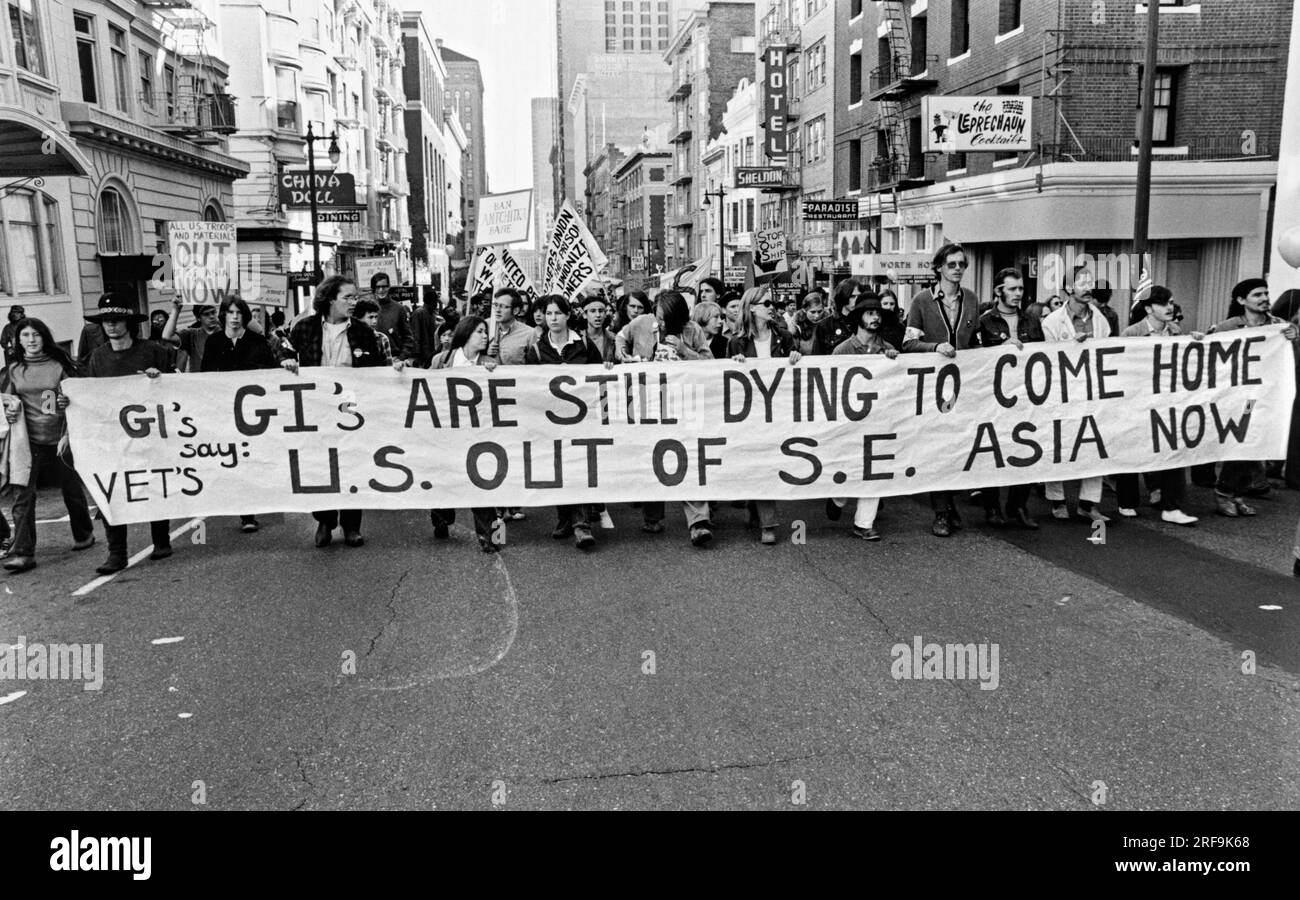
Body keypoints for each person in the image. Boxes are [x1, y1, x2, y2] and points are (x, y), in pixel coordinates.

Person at [279, 276, 388, 549]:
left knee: (351, 463)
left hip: (351, 410)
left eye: (354, 297)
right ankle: (325, 520)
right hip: (316, 409)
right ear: (329, 299)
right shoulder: (304, 328)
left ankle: (352, 526)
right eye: (347, 298)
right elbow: (282, 352)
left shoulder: (363, 332)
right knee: (319, 465)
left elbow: (376, 371)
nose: (353, 302)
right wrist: (286, 360)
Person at [79, 293, 177, 574]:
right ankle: (117, 553)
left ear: (128, 323)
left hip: (150, 432)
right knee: (113, 491)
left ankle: (161, 540)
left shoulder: (152, 350)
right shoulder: (97, 358)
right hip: (113, 436)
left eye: (116, 320)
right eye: (106, 321)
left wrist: (159, 379)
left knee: (155, 483)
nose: (110, 326)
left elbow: (178, 384)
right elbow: (89, 395)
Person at [0, 318, 96, 573]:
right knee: (22, 494)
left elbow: (71, 396)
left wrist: (67, 401)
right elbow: (6, 401)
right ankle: (23, 552)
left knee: (71, 489)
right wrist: (7, 412)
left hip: (61, 436)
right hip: (27, 441)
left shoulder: (58, 365)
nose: (31, 340)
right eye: (25, 335)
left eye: (36, 335)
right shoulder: (13, 370)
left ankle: (84, 533)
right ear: (17, 340)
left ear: (44, 338)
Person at [902, 242, 981, 537]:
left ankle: (950, 503)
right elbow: (908, 344)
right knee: (937, 447)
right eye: (952, 264)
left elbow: (977, 340)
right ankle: (941, 512)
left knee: (957, 447)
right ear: (938, 268)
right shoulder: (922, 301)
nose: (958, 269)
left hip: (964, 385)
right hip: (932, 387)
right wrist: (935, 347)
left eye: (962, 264)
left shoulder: (971, 299)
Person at [1204, 278, 1300, 515]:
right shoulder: (1228, 327)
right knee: (1240, 442)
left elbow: (1290, 360)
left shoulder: (1279, 326)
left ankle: (1236, 494)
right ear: (1241, 300)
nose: (1264, 298)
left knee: (1255, 445)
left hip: (1266, 395)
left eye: (1266, 293)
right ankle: (1225, 492)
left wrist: (1294, 338)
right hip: (1238, 396)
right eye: (1257, 294)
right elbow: (1206, 352)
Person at [1114, 286, 1200, 526]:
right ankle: (1127, 500)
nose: (1169, 308)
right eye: (1163, 304)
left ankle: (1172, 506)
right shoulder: (1132, 333)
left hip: (1166, 403)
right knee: (1131, 449)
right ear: (1149, 308)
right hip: (1137, 401)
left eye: (1171, 303)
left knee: (1174, 450)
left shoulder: (1175, 332)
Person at [638, 291, 716, 546]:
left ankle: (698, 521)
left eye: (664, 319)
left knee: (689, 460)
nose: (659, 323)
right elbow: (620, 340)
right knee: (654, 457)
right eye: (657, 318)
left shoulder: (692, 330)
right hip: (653, 402)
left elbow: (710, 362)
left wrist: (685, 350)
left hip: (685, 403)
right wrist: (624, 356)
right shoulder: (643, 326)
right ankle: (653, 517)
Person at [727, 284, 801, 545]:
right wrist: (734, 366)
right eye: (767, 304)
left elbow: (800, 371)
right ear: (752, 308)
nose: (773, 308)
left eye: (773, 304)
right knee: (760, 462)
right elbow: (728, 384)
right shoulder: (737, 342)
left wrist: (795, 357)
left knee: (770, 463)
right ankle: (767, 521)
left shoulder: (784, 337)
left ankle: (759, 510)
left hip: (778, 410)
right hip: (750, 413)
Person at [525, 295, 600, 551]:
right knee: (558, 468)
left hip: (582, 420)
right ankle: (564, 517)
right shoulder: (536, 350)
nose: (553, 318)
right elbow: (529, 385)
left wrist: (608, 367)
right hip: (551, 421)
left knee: (579, 466)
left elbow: (600, 374)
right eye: (549, 314)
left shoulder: (585, 344)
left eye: (558, 313)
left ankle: (582, 525)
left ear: (568, 315)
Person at [201, 295, 279, 534]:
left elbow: (271, 373)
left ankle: (249, 512)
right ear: (223, 315)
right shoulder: (214, 342)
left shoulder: (257, 341)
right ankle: (241, 507)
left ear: (244, 316)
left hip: (253, 413)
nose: (234, 318)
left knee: (250, 458)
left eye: (239, 313)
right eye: (230, 312)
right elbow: (204, 375)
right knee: (233, 458)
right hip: (224, 409)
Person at [826, 293, 899, 540]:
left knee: (873, 469)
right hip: (849, 420)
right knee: (847, 465)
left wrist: (892, 363)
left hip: (878, 420)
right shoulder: (842, 350)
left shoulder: (888, 349)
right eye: (869, 313)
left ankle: (864, 523)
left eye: (878, 313)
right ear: (859, 318)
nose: (875, 317)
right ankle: (838, 497)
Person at [1040, 271, 1112, 524]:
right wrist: (1072, 345)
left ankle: (1088, 503)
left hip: (1092, 390)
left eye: (1090, 283)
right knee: (1059, 443)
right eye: (1082, 284)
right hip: (1062, 391)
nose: (1088, 288)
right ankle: (1057, 499)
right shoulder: (1051, 322)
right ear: (1068, 288)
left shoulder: (1102, 320)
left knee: (1094, 445)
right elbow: (1047, 359)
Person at [974, 268, 1042, 528]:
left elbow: (1044, 355)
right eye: (1012, 289)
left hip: (1026, 396)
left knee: (1026, 448)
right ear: (998, 290)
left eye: (1021, 289)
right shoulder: (985, 321)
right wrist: (997, 352)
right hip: (994, 397)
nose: (1018, 294)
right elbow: (975, 358)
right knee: (993, 451)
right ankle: (992, 507)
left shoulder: (1031, 321)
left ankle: (1018, 505)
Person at [430, 315, 505, 553]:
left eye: (486, 332)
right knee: (446, 480)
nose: (485, 336)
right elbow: (422, 390)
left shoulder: (490, 363)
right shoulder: (441, 360)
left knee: (485, 485)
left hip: (480, 433)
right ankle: (441, 517)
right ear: (466, 334)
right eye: (480, 332)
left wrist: (495, 374)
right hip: (447, 432)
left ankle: (493, 537)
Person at [161, 298, 221, 372]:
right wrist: (176, 310)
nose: (211, 316)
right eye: (206, 314)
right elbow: (167, 336)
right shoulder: (192, 334)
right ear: (198, 318)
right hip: (200, 380)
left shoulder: (226, 332)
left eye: (213, 312)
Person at [368, 273, 414, 362]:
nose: (381, 290)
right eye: (378, 287)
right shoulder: (366, 308)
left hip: (393, 359)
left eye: (384, 286)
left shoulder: (399, 309)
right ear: (373, 288)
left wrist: (401, 357)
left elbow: (408, 337)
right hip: (371, 361)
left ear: (389, 287)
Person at [813, 279, 861, 354]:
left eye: (859, 296)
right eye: (852, 296)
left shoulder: (863, 323)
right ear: (843, 296)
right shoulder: (824, 325)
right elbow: (817, 358)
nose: (857, 300)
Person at [353, 298, 395, 364]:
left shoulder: (382, 338)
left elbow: (388, 366)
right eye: (370, 317)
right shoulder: (350, 338)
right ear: (359, 319)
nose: (374, 321)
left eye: (376, 317)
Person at [410, 288, 443, 368]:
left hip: (431, 352)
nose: (437, 304)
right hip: (422, 355)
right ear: (432, 302)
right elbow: (416, 334)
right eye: (436, 302)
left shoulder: (432, 314)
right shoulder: (418, 313)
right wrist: (417, 354)